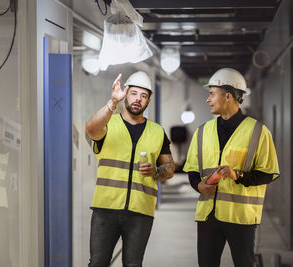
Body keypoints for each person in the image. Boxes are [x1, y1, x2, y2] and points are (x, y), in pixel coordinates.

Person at [183, 68, 280, 267]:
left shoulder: (258, 132)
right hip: (208, 216)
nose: (207, 99)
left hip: (241, 217)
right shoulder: (202, 132)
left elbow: (268, 174)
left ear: (228, 95)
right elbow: (192, 170)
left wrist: (239, 175)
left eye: (211, 94)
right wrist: (199, 186)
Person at [85, 71, 175, 267]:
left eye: (144, 96)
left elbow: (169, 168)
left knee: (133, 264)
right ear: (125, 94)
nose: (138, 99)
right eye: (134, 93)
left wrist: (157, 172)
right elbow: (91, 130)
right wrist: (112, 103)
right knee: (97, 263)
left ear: (149, 101)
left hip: (140, 211)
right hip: (105, 209)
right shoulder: (109, 123)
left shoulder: (157, 132)